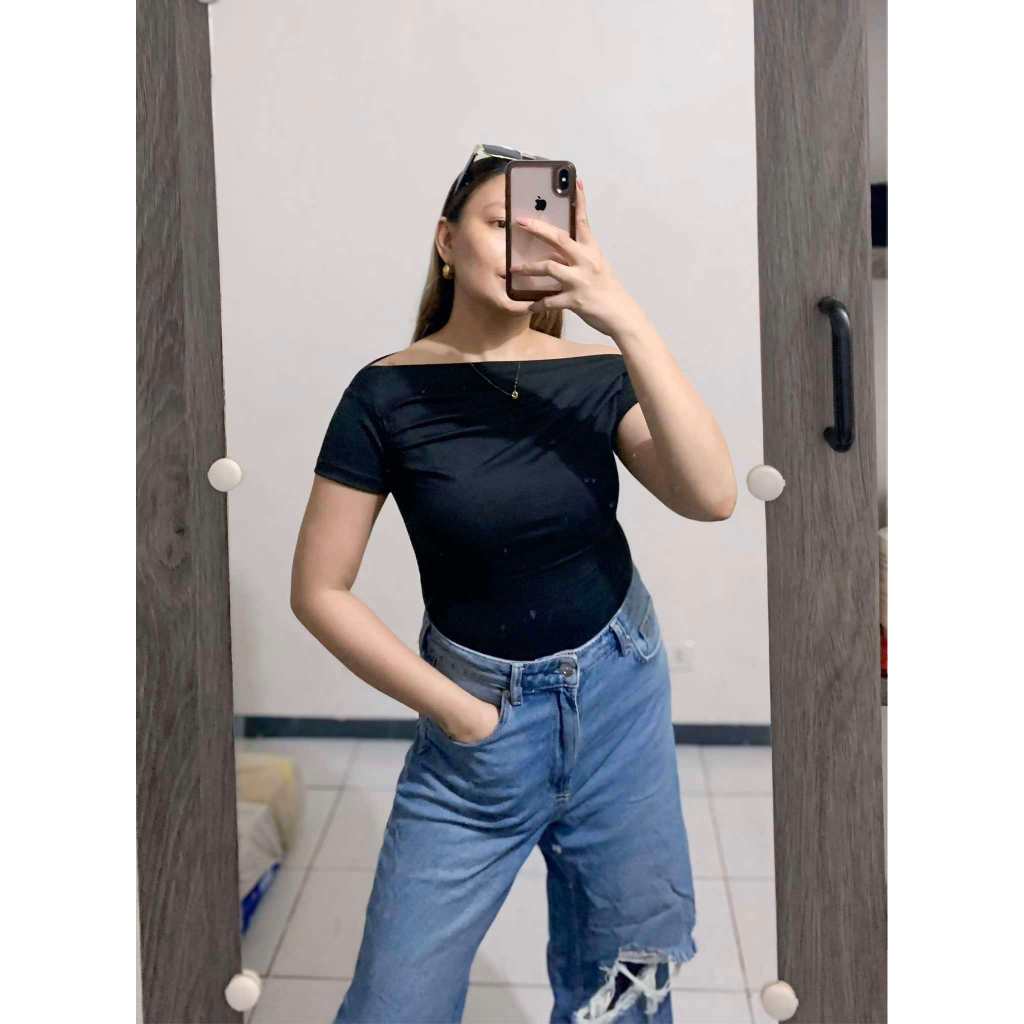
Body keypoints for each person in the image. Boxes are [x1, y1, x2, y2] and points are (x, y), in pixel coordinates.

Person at [290, 143, 737, 1023]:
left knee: (622, 993)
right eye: (499, 224)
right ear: (446, 240)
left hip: (618, 703)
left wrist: (625, 318)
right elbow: (320, 589)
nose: (520, 245)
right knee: (393, 1005)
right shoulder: (384, 395)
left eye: (543, 228)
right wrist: (459, 712)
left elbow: (712, 496)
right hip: (477, 732)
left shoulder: (597, 372)